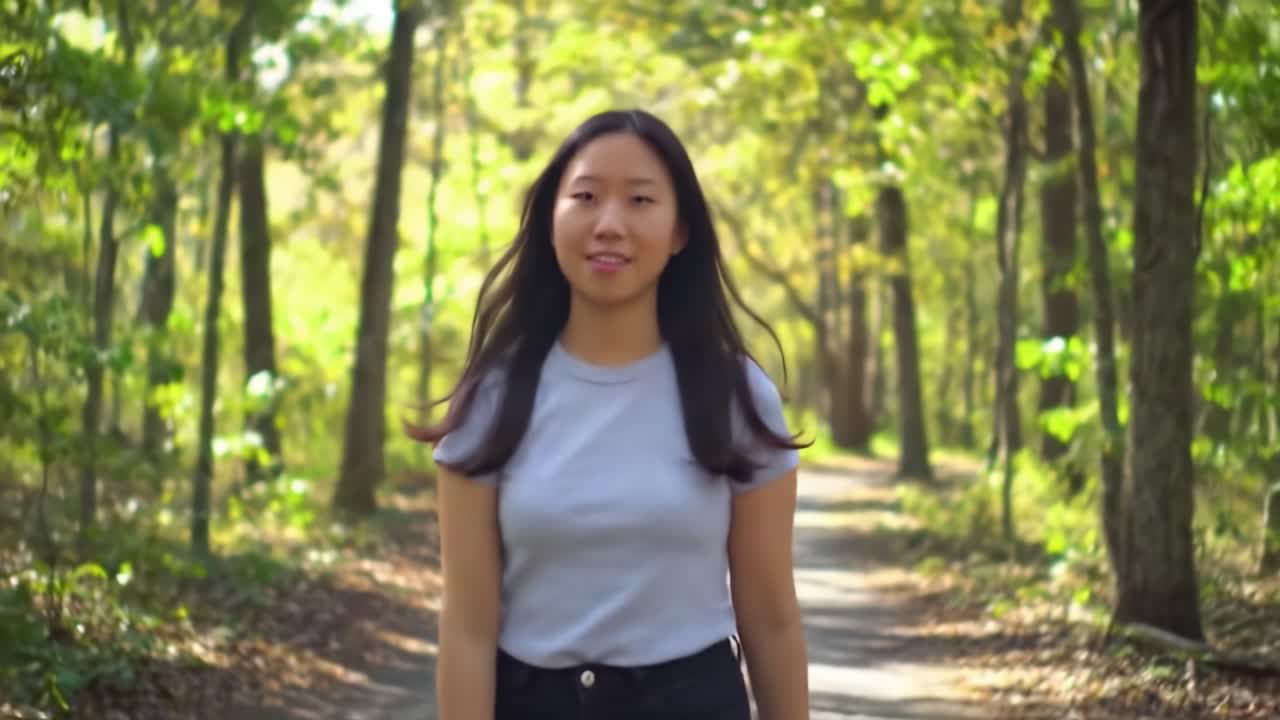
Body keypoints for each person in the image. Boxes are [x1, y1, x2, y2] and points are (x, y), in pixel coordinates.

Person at [409, 108, 810, 720]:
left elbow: (771, 616)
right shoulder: (493, 397)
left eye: (641, 200)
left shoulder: (734, 393)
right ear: (551, 221)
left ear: (680, 232)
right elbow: (466, 626)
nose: (609, 225)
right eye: (586, 197)